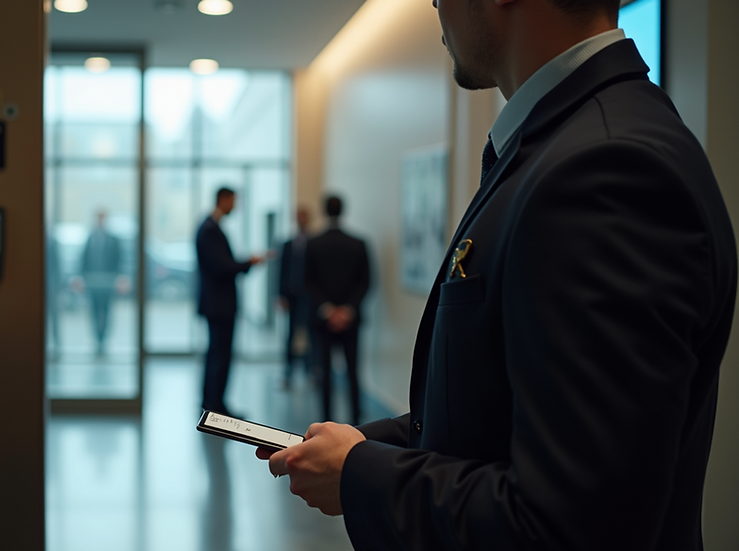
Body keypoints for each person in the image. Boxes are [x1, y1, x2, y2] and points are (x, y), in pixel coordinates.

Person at [259, 0, 737, 549]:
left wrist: (361, 475)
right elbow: (497, 416)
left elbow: (572, 526)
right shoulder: (560, 144)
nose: (435, 6)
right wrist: (361, 447)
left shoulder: (605, 168)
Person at [195, 187, 264, 415]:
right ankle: (214, 407)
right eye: (233, 201)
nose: (234, 206)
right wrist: (248, 263)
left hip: (217, 304)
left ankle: (214, 403)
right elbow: (222, 267)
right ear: (223, 200)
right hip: (219, 305)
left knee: (217, 354)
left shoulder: (210, 228)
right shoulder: (209, 230)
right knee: (219, 356)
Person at [304, 196, 370, 426]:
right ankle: (356, 423)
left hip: (322, 321)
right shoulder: (358, 243)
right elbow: (366, 282)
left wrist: (328, 309)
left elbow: (307, 281)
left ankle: (326, 423)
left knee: (325, 373)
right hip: (351, 321)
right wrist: (347, 310)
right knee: (353, 372)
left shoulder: (312, 243)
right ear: (343, 210)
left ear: (324, 211)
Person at [277, 207, 315, 389]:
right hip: (291, 296)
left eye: (304, 216)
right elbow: (281, 272)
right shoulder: (287, 244)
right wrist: (280, 295)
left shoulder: (315, 243)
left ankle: (310, 371)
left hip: (309, 298)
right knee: (290, 335)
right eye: (298, 216)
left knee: (310, 333)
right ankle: (288, 373)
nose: (301, 219)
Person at [79, 209, 121, 356]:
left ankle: (104, 341)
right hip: (92, 283)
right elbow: (83, 260)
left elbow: (119, 260)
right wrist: (81, 279)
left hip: (108, 283)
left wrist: (120, 279)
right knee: (94, 312)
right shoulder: (90, 238)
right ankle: (97, 340)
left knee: (107, 312)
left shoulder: (113, 239)